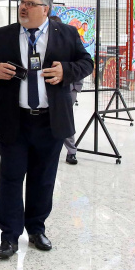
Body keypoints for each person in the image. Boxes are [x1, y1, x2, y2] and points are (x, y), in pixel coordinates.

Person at [0, 0, 94, 259]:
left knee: (43, 180)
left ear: (46, 9)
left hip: (50, 121)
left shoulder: (66, 34)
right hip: (13, 120)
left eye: (30, 3)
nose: (23, 7)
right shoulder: (2, 35)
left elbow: (86, 62)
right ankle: (9, 236)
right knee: (11, 178)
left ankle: (37, 229)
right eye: (22, 2)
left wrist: (67, 70)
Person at [52, 16, 82, 165]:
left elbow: (81, 64)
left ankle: (71, 151)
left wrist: (76, 88)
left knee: (65, 118)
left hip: (68, 89)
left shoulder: (69, 41)